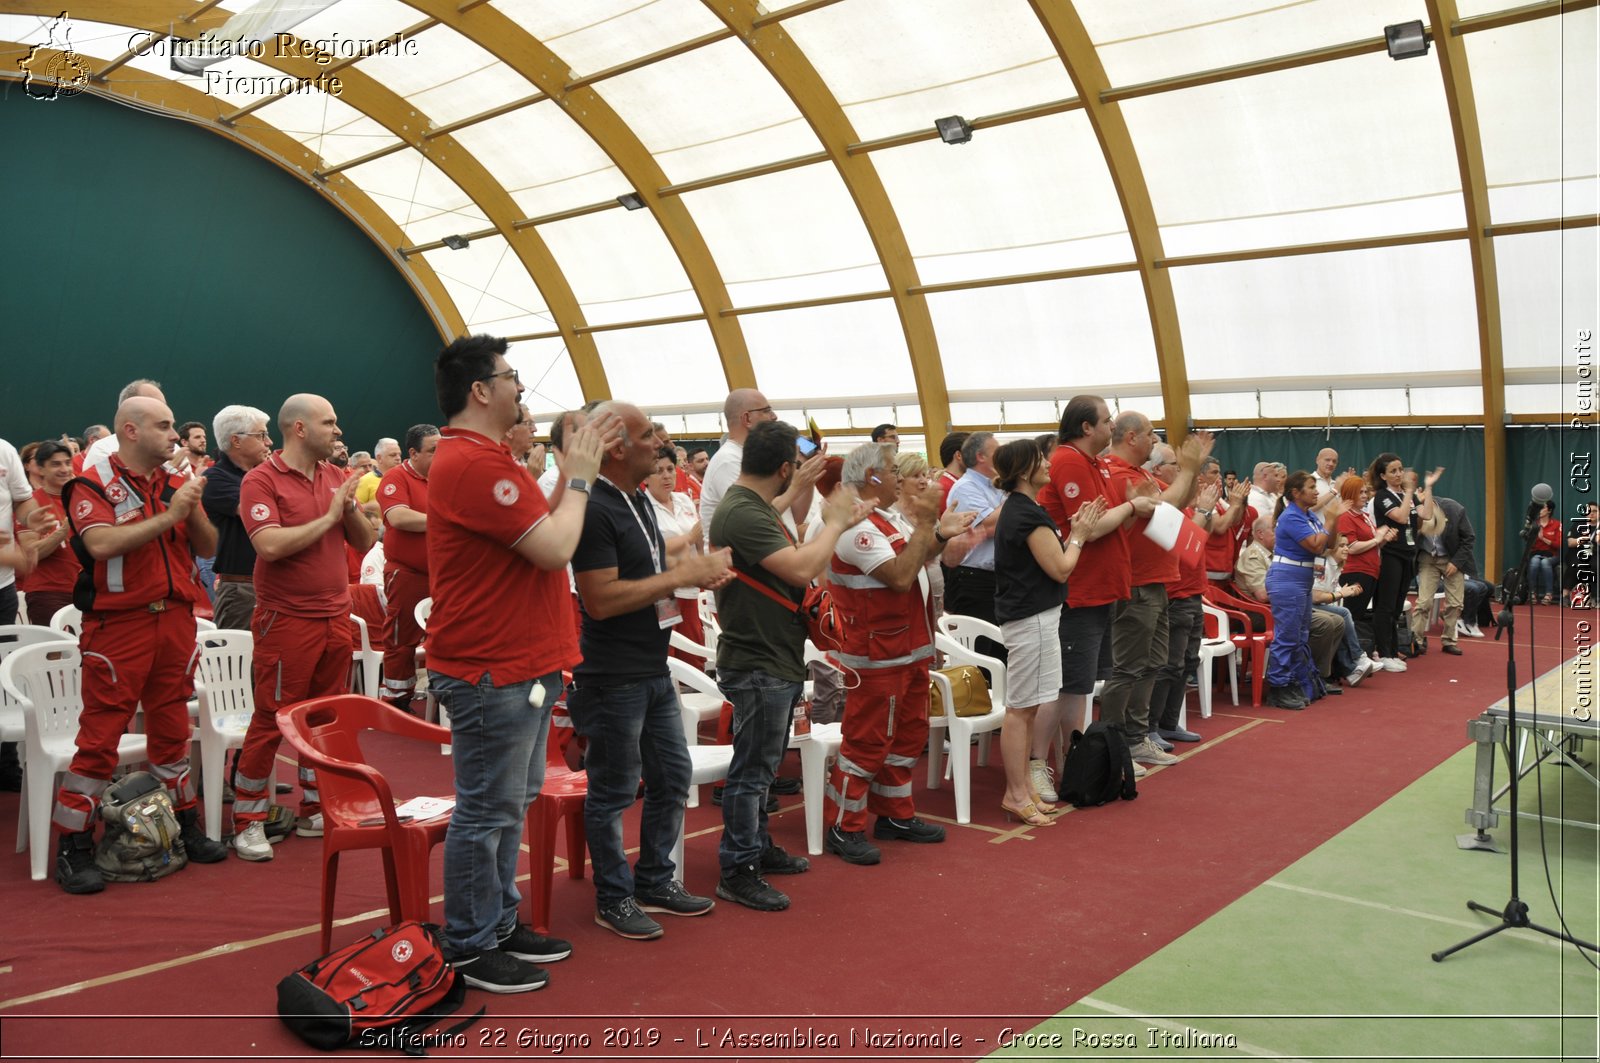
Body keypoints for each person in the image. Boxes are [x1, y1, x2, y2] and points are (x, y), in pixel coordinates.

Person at [426, 335, 610, 993]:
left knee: (510, 802)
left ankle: (498, 921)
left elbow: (546, 526)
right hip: (491, 667)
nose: (520, 388)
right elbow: (557, 545)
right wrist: (581, 475)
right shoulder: (476, 464)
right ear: (481, 390)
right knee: (489, 810)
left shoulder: (487, 457)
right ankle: (471, 942)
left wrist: (568, 470)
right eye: (511, 377)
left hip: (516, 663)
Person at [569, 402, 732, 940]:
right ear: (617, 448)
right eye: (646, 437)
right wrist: (678, 577)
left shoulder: (635, 498)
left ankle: (654, 879)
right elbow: (600, 599)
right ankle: (613, 897)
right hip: (613, 675)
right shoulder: (594, 507)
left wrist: (689, 573)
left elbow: (650, 568)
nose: (659, 445)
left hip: (650, 667)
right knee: (613, 792)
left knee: (671, 778)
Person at [52, 396, 227, 894]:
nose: (176, 436)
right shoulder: (89, 484)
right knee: (100, 738)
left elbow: (209, 547)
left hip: (174, 621)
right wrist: (173, 513)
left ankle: (182, 823)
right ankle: (73, 843)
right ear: (130, 431)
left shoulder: (174, 484)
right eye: (165, 426)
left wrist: (188, 508)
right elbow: (102, 544)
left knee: (173, 729)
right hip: (119, 626)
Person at [710, 421, 870, 910]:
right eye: (796, 468)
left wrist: (799, 490)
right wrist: (838, 521)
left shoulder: (746, 505)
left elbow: (768, 518)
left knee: (761, 763)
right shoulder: (742, 512)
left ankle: (755, 847)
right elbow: (801, 568)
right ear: (783, 467)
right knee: (753, 771)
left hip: (768, 656)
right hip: (759, 658)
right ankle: (737, 868)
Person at [232, 395, 377, 860]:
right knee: (273, 715)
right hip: (287, 619)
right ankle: (249, 819)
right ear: (298, 428)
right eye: (328, 422)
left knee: (323, 718)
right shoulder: (261, 480)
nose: (337, 430)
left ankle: (318, 808)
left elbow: (366, 539)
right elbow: (270, 546)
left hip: (334, 616)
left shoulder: (336, 476)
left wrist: (348, 508)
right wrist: (330, 516)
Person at [823, 443, 972, 865]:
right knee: (867, 742)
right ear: (872, 477)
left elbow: (918, 555)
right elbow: (902, 576)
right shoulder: (857, 526)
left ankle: (894, 814)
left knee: (906, 738)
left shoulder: (885, 518)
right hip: (876, 657)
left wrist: (938, 533)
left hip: (906, 650)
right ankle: (843, 825)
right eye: (892, 470)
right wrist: (928, 522)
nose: (900, 476)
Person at [990, 439, 1103, 825]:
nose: (1048, 464)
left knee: (1031, 705)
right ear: (1024, 471)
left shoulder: (1028, 508)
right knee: (1020, 709)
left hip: (1040, 615)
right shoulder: (1024, 514)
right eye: (1041, 460)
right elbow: (1060, 568)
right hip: (1030, 618)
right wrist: (1080, 534)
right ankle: (1016, 793)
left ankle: (1024, 787)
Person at [1263, 471, 1349, 709]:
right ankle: (1278, 689)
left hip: (1301, 579)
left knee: (1300, 636)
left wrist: (1335, 519)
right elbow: (1315, 546)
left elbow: (1329, 545)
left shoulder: (1308, 515)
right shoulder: (1291, 517)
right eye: (1311, 487)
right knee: (1287, 637)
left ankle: (1294, 682)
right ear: (1295, 493)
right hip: (1287, 579)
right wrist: (1330, 519)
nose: (1316, 491)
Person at [376, 423, 440, 710]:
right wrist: (444, 520)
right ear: (413, 453)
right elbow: (399, 517)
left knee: (445, 636)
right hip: (408, 574)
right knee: (402, 638)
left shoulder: (444, 477)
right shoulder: (395, 477)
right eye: (433, 451)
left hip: (443, 574)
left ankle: (442, 694)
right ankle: (396, 698)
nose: (440, 456)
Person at [203, 405, 274, 631]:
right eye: (261, 435)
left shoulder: (260, 476)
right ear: (236, 441)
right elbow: (263, 517)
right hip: (242, 589)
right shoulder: (215, 478)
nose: (269, 442)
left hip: (272, 585)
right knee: (239, 663)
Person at [1370, 455, 1442, 669]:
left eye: (1400, 469)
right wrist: (1409, 491)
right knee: (1385, 605)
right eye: (1393, 471)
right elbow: (1401, 517)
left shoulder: (1405, 494)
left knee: (1396, 606)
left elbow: (1427, 515)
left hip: (1407, 553)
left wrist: (1427, 488)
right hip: (1390, 554)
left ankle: (1392, 651)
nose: (1399, 474)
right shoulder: (1383, 496)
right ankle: (1382, 652)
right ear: (1383, 476)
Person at [644, 446, 710, 666]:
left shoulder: (683, 500)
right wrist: (690, 538)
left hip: (690, 589)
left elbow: (699, 539)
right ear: (646, 476)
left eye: (670, 469)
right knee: (668, 654)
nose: (666, 476)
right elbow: (653, 548)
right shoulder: (643, 506)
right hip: (664, 592)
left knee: (694, 655)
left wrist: (704, 564)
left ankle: (697, 694)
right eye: (658, 470)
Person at [15, 441, 78, 625]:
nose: (64, 469)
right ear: (40, 469)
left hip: (87, 589)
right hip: (48, 592)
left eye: (67, 462)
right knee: (55, 652)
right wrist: (63, 530)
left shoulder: (83, 496)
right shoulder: (30, 503)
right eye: (56, 464)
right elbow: (30, 553)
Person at [1412, 495, 1474, 654]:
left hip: (1451, 557)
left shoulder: (1454, 509)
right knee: (1423, 602)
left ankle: (1449, 641)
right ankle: (1415, 641)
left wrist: (1456, 562)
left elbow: (1469, 538)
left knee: (1455, 603)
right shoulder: (1413, 512)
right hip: (1427, 558)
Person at [1529, 501, 1561, 605]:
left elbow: (1558, 544)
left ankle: (1549, 593)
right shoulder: (1534, 524)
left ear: (1549, 510)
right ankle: (1532, 592)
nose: (1540, 510)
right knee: (1534, 561)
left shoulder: (1557, 524)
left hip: (1552, 555)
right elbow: (1529, 545)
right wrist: (1534, 537)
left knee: (1545, 563)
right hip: (1536, 554)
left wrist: (1543, 538)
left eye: (1543, 508)